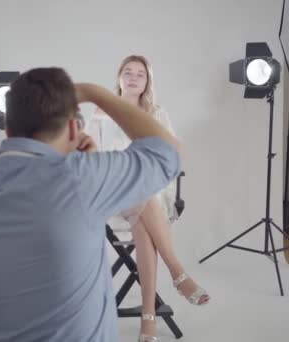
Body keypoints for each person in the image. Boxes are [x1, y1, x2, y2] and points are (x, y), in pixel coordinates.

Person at [0, 67, 183, 342]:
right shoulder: (82, 179)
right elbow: (170, 153)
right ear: (75, 127)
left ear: (8, 130)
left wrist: (90, 169)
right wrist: (94, 93)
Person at [86, 55, 210, 341]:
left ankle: (148, 320)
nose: (132, 77)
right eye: (127, 72)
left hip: (149, 195)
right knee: (140, 193)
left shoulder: (157, 114)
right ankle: (177, 275)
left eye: (139, 74)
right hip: (111, 194)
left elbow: (170, 156)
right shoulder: (101, 113)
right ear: (118, 77)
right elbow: (89, 158)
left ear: (147, 82)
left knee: (143, 214)